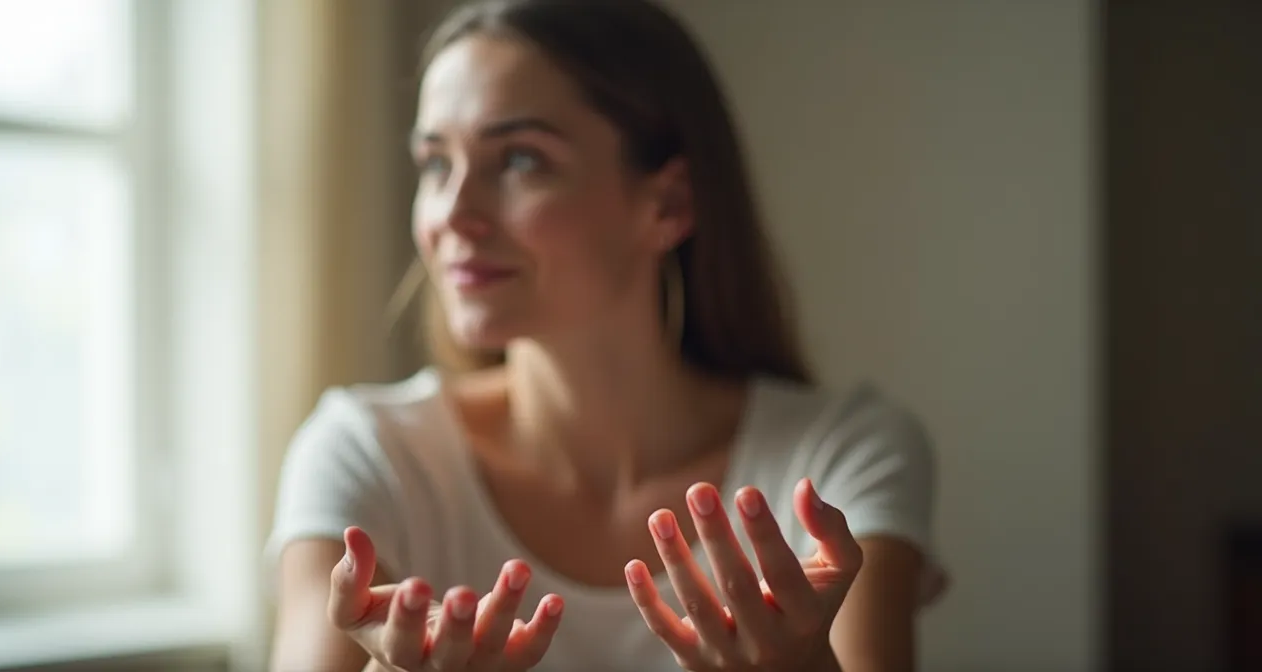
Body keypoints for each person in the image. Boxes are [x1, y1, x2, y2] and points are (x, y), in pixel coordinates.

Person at [266, 0, 945, 670]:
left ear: (669, 203)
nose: (453, 213)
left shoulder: (840, 456)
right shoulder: (369, 453)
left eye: (521, 160)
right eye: (436, 163)